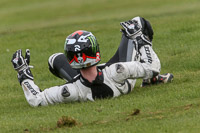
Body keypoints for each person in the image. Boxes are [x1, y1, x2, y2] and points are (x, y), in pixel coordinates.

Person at [11, 16, 173, 107]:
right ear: (95, 50)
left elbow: (37, 100)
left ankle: (148, 77)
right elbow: (153, 66)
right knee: (138, 22)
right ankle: (148, 80)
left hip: (82, 85)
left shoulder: (70, 91)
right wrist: (139, 39)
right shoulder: (118, 70)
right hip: (119, 79)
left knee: (53, 59)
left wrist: (23, 74)